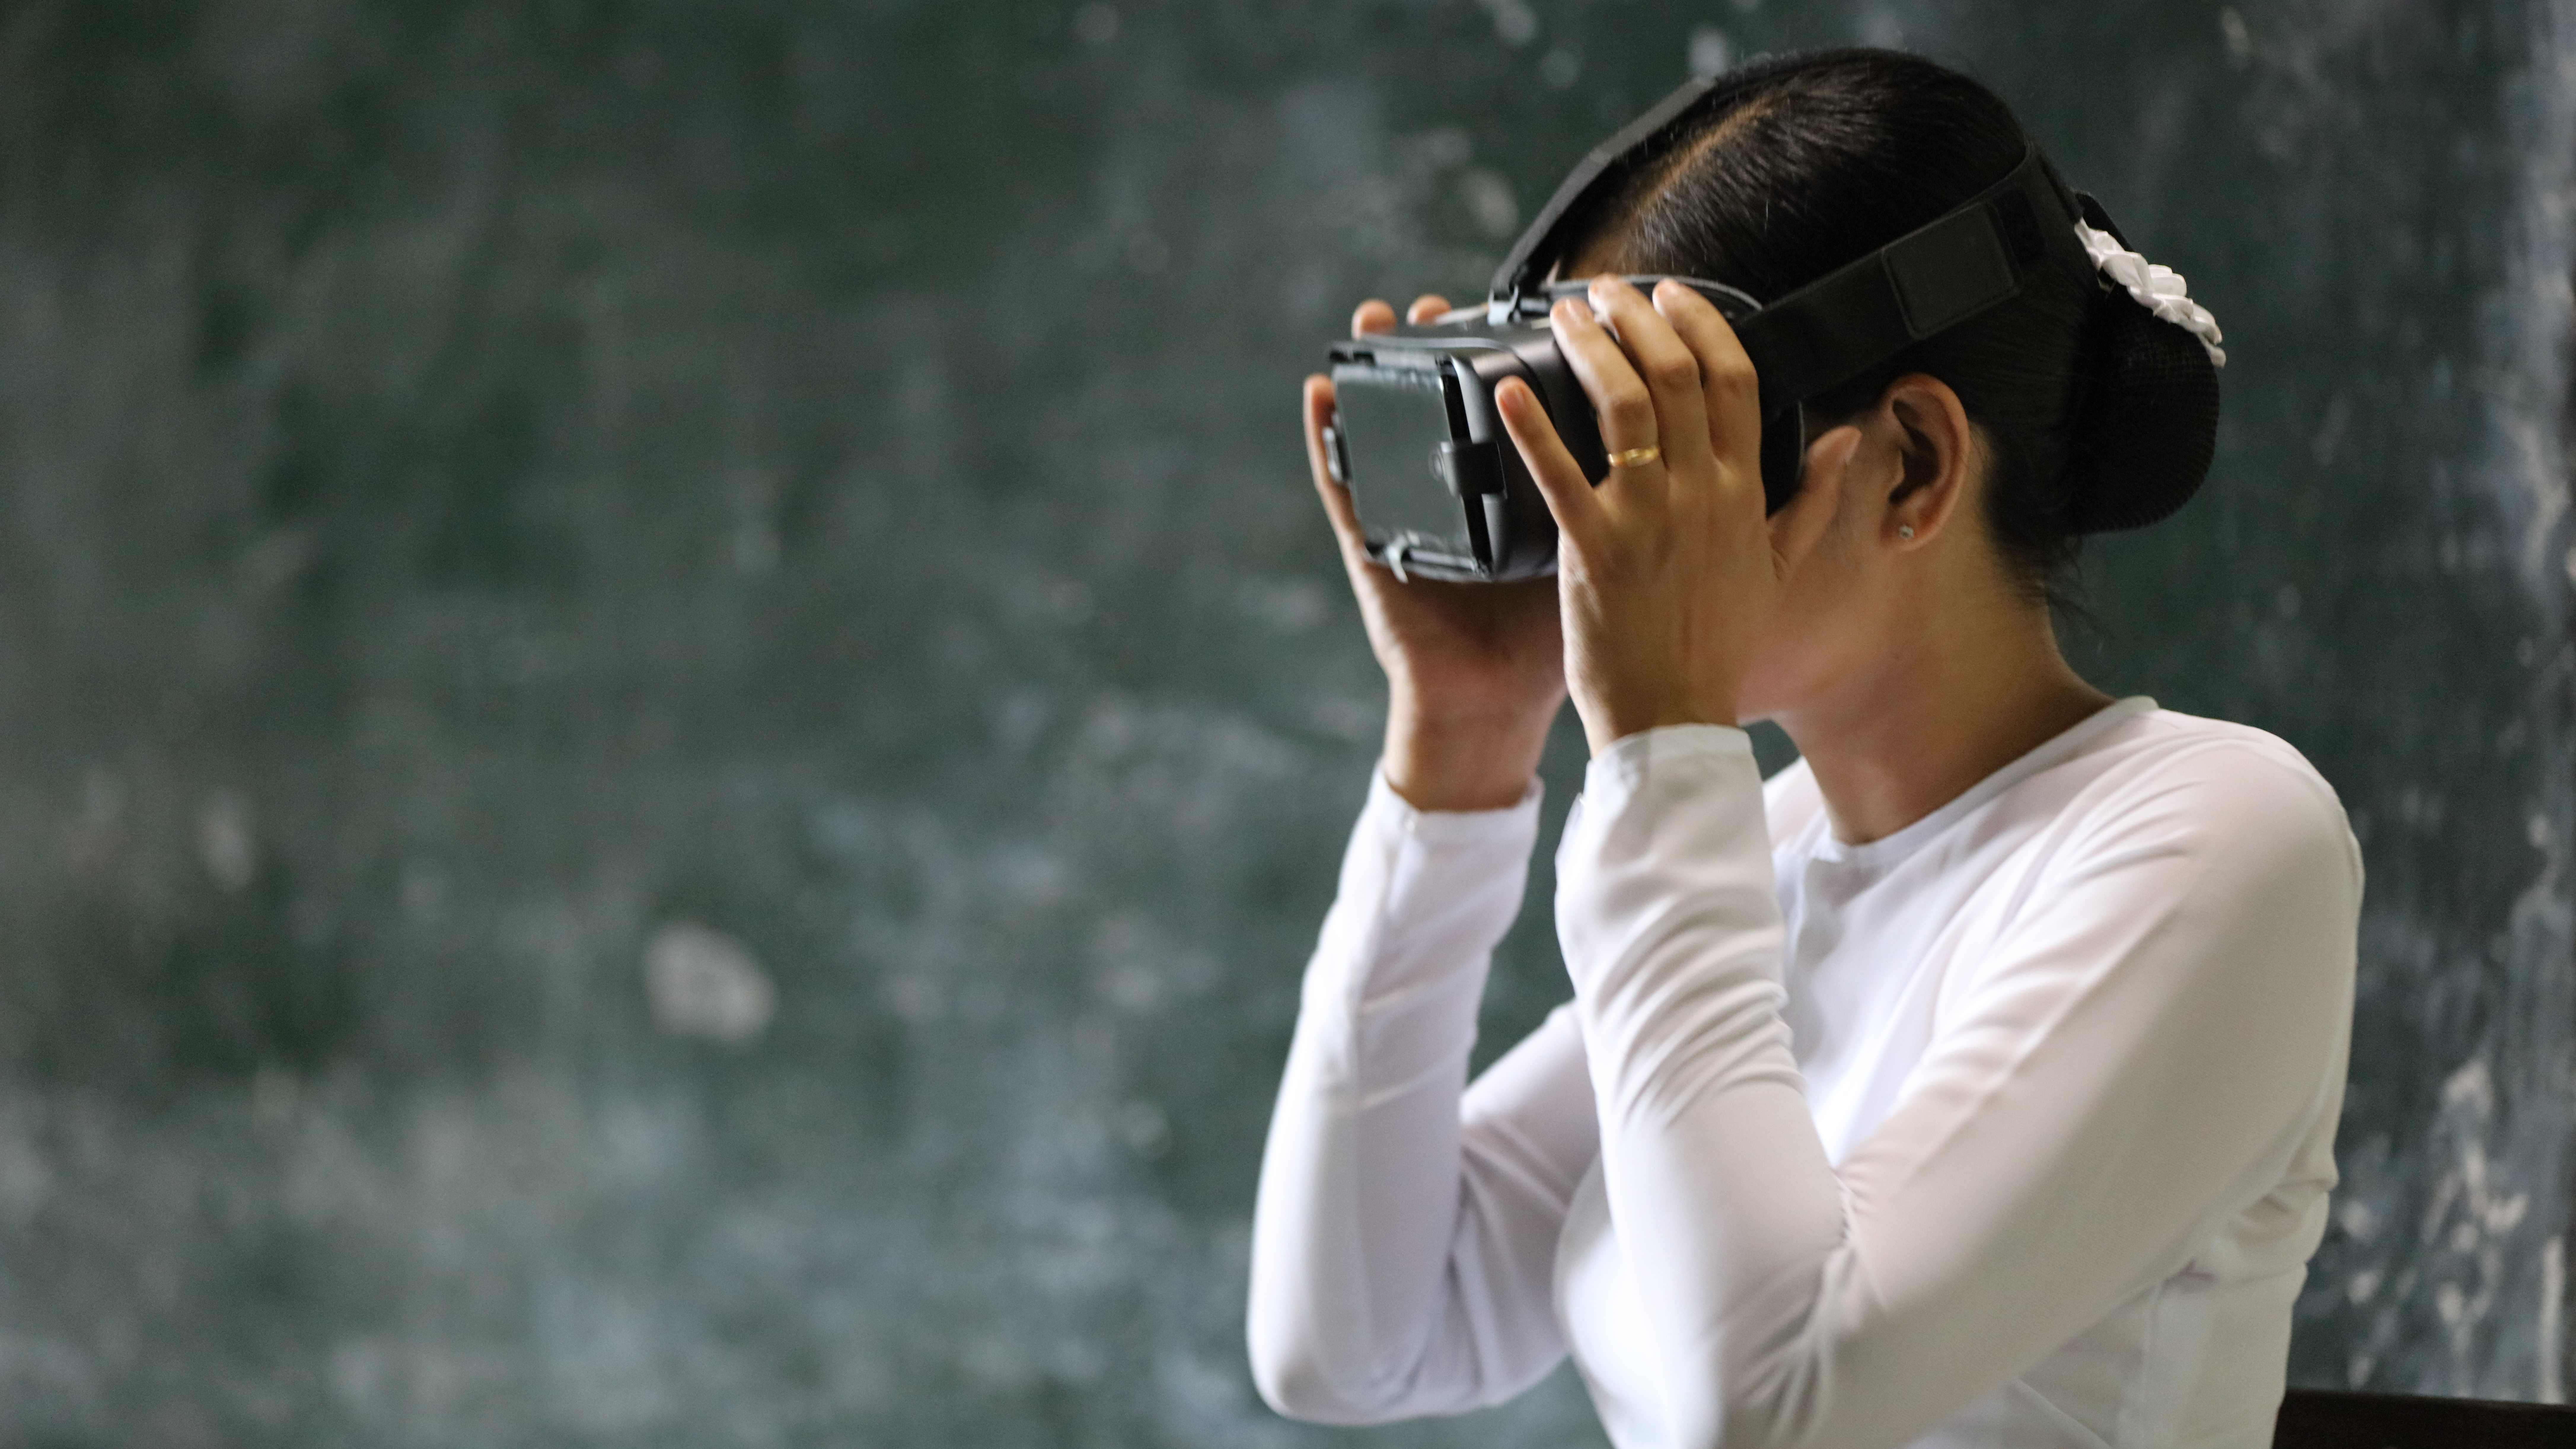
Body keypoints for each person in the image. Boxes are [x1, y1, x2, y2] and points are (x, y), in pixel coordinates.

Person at [1246, 48, 2360, 1449]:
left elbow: (1774, 1404)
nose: (1591, 507)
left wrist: (1661, 748)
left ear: (1910, 463)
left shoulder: (2215, 836)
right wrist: (1460, 747)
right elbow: (1355, 1345)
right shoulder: (1758, 843)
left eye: (1660, 434)